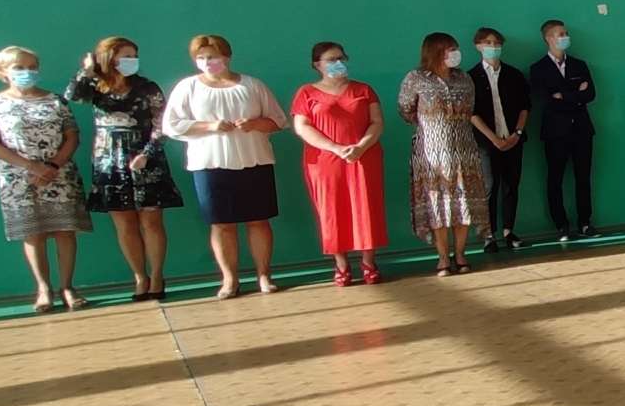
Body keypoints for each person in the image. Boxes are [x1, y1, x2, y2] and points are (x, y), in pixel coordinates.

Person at [159, 33, 287, 297]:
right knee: (221, 223)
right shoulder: (188, 87)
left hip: (254, 161)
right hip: (210, 164)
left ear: (227, 57)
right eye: (201, 57)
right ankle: (230, 279)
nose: (208, 62)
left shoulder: (252, 85)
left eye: (213, 56)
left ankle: (264, 275)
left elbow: (278, 120)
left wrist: (254, 124)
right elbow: (171, 125)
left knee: (258, 220)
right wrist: (210, 126)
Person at [66, 35, 179, 299]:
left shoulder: (146, 87)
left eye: (134, 56)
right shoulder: (96, 86)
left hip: (144, 157)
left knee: (151, 220)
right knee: (124, 223)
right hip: (109, 160)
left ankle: (157, 275)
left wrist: (148, 153)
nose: (131, 61)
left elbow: (162, 123)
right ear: (110, 58)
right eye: (125, 56)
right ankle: (139, 276)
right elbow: (72, 95)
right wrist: (87, 70)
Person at [0, 46, 92, 311]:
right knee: (33, 233)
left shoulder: (55, 100)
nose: (27, 72)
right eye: (19, 67)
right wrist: (32, 167)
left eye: (32, 67)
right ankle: (43, 288)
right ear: (2, 71)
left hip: (59, 175)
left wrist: (52, 166)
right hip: (19, 179)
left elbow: (72, 136)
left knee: (65, 231)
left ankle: (68, 287)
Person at [290, 41, 387, 286]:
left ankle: (369, 263)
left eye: (342, 58)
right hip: (325, 162)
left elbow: (377, 122)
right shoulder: (306, 93)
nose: (338, 63)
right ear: (317, 65)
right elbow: (302, 127)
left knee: (366, 207)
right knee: (331, 210)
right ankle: (341, 265)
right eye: (332, 59)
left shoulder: (364, 90)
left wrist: (361, 146)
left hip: (363, 157)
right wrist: (335, 148)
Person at [400, 32, 488, 275]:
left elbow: (470, 108)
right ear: (435, 52)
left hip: (464, 150)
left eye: (455, 49)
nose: (455, 54)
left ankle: (460, 254)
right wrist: (432, 125)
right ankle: (442, 258)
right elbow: (406, 109)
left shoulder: (464, 78)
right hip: (431, 153)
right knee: (437, 204)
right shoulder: (416, 78)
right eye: (450, 49)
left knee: (463, 204)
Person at [530, 19, 597, 240]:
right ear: (548, 38)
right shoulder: (538, 69)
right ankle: (561, 225)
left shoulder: (580, 65)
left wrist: (563, 95)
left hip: (582, 130)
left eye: (566, 33)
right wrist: (576, 95)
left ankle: (585, 222)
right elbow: (545, 100)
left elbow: (590, 94)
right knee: (555, 178)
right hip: (555, 132)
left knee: (583, 178)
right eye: (560, 34)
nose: (565, 37)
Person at [468, 27, 530, 253]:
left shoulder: (514, 74)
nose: (493, 47)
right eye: (488, 42)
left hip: (513, 139)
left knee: (511, 185)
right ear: (478, 46)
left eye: (496, 43)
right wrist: (493, 138)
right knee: (490, 186)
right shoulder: (470, 77)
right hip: (486, 142)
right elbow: (471, 113)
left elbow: (525, 107)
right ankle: (488, 235)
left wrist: (517, 134)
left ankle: (508, 231)